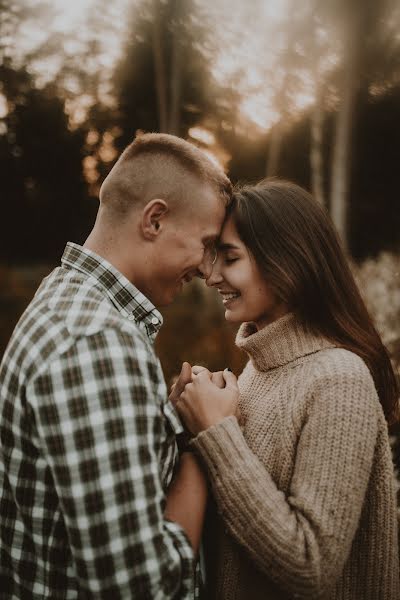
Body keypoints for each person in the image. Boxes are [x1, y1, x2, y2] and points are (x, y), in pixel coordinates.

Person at [0, 132, 232, 599]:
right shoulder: (97, 341)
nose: (209, 272)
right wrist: (204, 444)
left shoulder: (63, 297)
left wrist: (165, 422)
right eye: (206, 244)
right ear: (155, 220)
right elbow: (139, 588)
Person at [175, 180, 400, 599]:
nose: (211, 275)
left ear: (286, 263)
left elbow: (310, 565)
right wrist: (193, 426)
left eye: (230, 258)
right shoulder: (258, 370)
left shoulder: (338, 380)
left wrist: (218, 434)